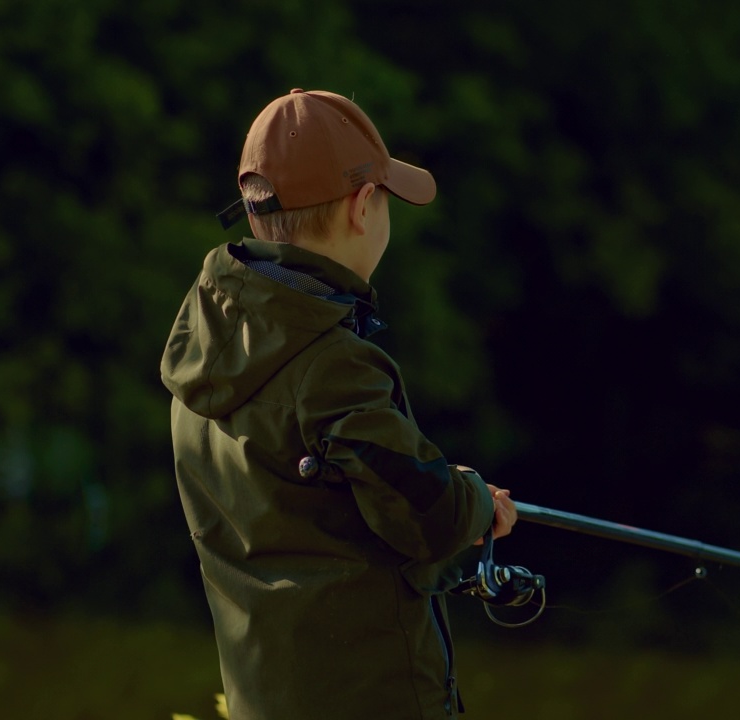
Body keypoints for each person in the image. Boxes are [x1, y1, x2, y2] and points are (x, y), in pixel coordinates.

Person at [160, 88, 516, 720]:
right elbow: (425, 517)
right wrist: (474, 500)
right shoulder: (335, 365)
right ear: (362, 206)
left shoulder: (202, 348)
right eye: (386, 200)